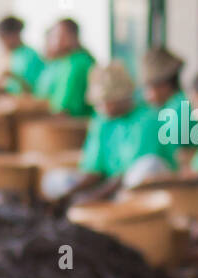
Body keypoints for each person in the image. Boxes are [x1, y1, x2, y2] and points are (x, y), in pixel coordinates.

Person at [73, 61, 176, 198]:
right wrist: (70, 195)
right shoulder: (101, 120)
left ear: (122, 98)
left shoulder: (149, 119)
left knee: (146, 167)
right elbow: (94, 170)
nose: (100, 107)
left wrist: (93, 197)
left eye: (105, 101)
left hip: (141, 189)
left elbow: (128, 175)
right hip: (110, 187)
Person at [35, 17, 95, 117]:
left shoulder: (76, 65)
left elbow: (64, 112)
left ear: (70, 37)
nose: (51, 41)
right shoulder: (66, 62)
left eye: (55, 36)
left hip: (72, 127)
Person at [142, 45, 192, 152]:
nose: (147, 95)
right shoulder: (173, 104)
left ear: (164, 85)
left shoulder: (178, 108)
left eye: (149, 87)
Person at [0, 15, 44, 97]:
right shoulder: (12, 55)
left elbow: (32, 90)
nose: (2, 43)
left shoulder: (30, 56)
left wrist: (12, 76)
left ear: (14, 35)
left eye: (4, 38)